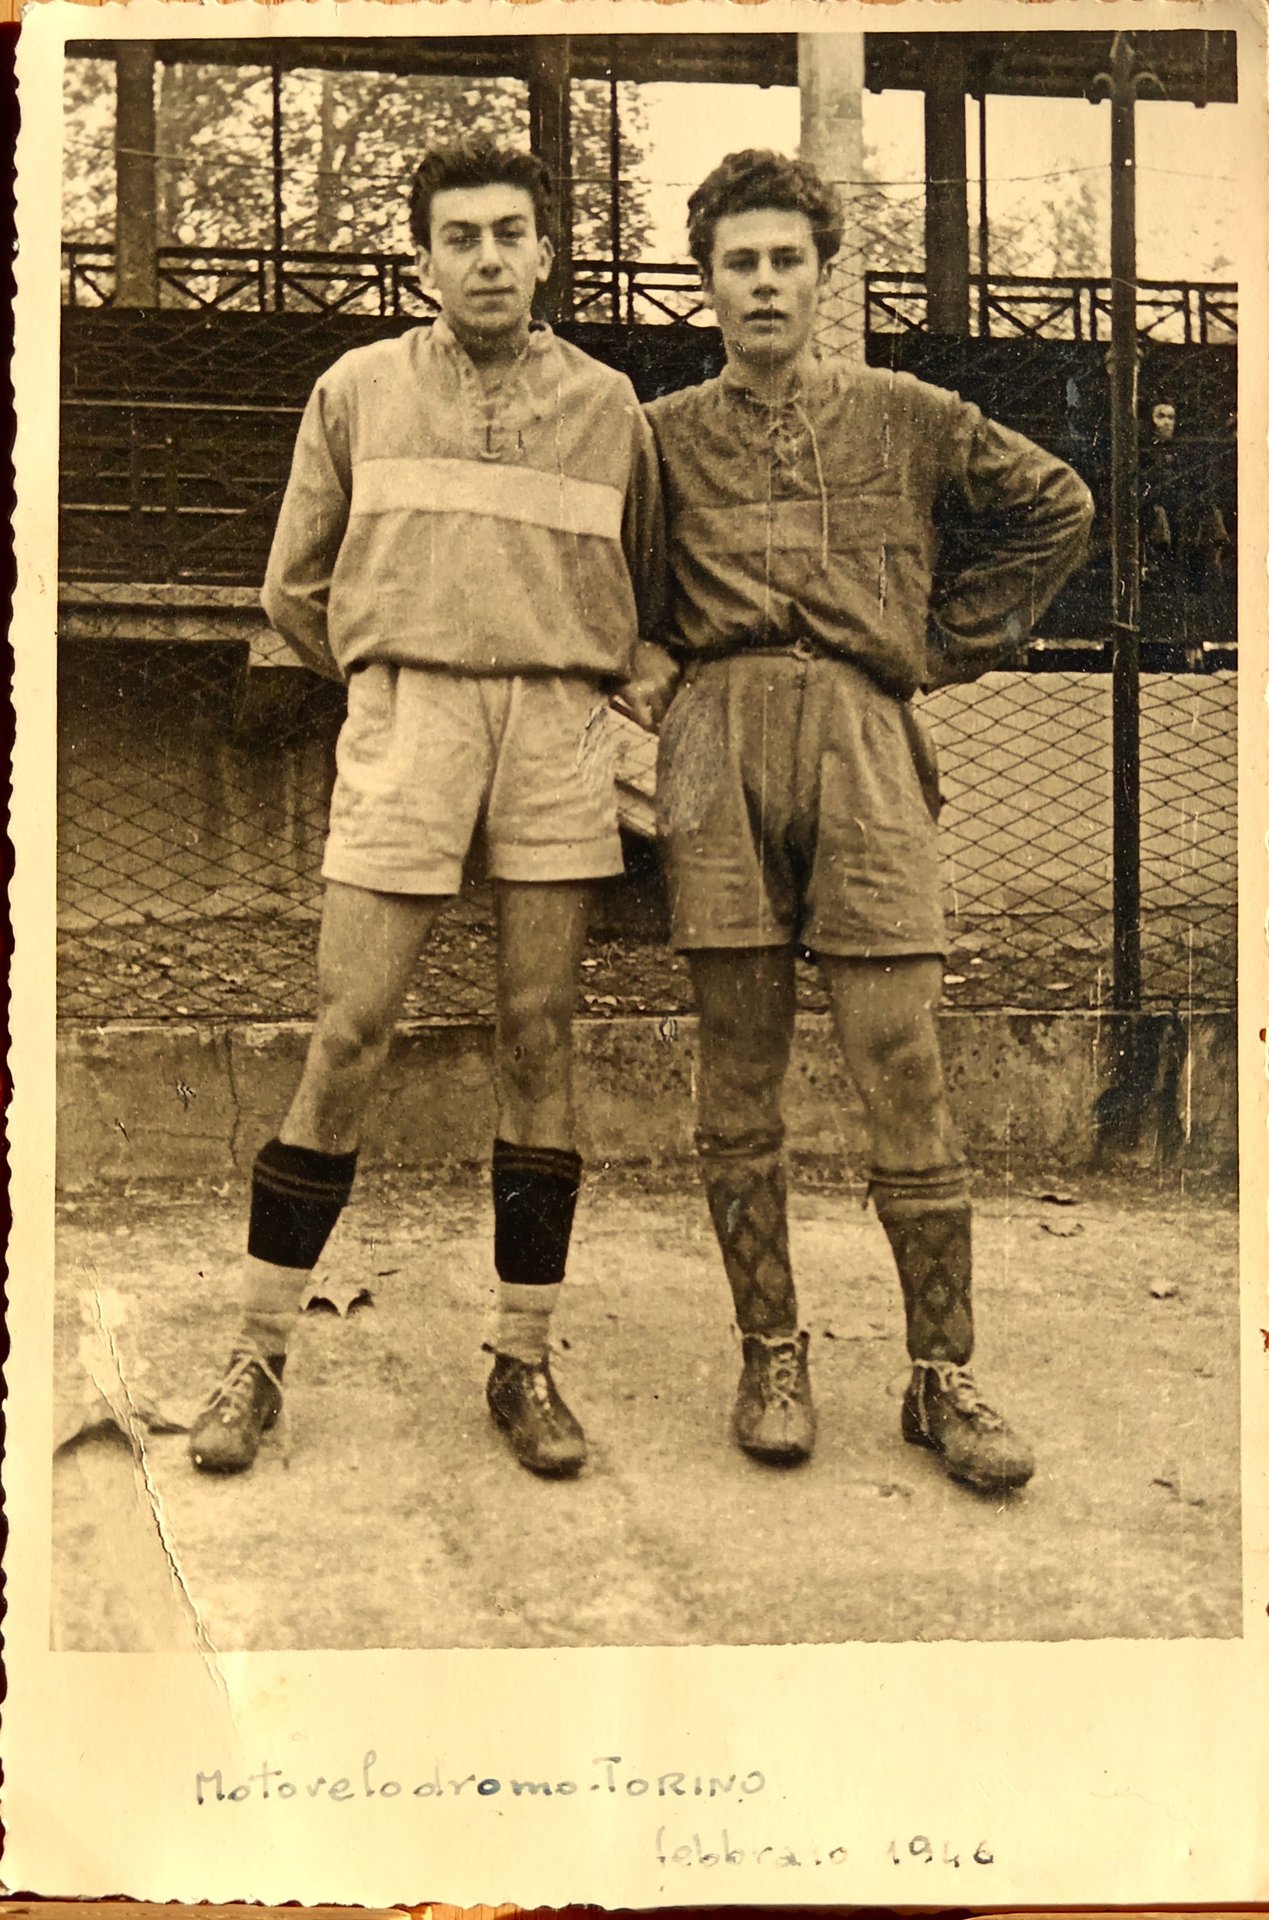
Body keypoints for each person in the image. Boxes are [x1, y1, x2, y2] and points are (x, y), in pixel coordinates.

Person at [189, 137, 670, 1480]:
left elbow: (648, 596)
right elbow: (294, 588)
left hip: (558, 725)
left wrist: (591, 689)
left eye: (511, 233)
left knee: (539, 1033)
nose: (488, 258)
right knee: (348, 1032)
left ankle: (525, 1358)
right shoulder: (356, 389)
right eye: (461, 236)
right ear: (422, 261)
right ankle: (258, 1353)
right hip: (409, 716)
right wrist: (396, 675)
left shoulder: (610, 406)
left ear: (547, 254)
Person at [645, 151, 1094, 1492]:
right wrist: (654, 670)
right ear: (706, 282)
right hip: (716, 750)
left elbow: (1058, 507)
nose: (763, 283)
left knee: (902, 1058)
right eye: (739, 262)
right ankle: (770, 1354)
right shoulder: (657, 436)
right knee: (739, 1066)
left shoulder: (907, 413)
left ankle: (941, 1376)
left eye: (786, 259)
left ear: (822, 276)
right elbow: (605, 579)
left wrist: (938, 647)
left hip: (865, 743)